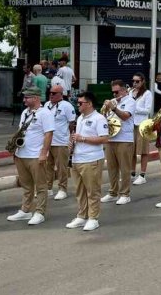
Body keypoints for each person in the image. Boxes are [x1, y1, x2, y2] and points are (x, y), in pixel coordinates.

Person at [7, 88, 55, 225]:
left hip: (35, 155)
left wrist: (44, 153)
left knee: (41, 186)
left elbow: (48, 134)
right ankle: (25, 210)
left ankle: (40, 212)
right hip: (21, 154)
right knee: (26, 185)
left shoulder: (45, 113)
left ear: (35, 98)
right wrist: (15, 149)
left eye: (27, 97)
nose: (24, 100)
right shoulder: (25, 112)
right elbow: (21, 131)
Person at [66, 91, 108, 231]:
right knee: (80, 190)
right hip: (77, 158)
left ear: (89, 104)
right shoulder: (80, 118)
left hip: (91, 159)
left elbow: (104, 138)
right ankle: (82, 215)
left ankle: (93, 218)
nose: (77, 105)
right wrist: (72, 143)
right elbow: (77, 137)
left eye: (80, 103)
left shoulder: (99, 119)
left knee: (92, 190)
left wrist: (82, 139)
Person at [100, 80, 135, 205]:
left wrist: (113, 108)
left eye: (117, 92)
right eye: (113, 92)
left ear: (124, 90)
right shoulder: (112, 101)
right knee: (111, 168)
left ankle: (125, 194)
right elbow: (104, 118)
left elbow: (125, 116)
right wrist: (105, 111)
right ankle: (113, 193)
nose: (114, 94)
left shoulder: (130, 101)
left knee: (125, 168)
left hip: (124, 138)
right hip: (111, 138)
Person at [44, 86, 76, 201]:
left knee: (61, 167)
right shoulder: (46, 105)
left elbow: (72, 123)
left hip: (61, 142)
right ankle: (48, 188)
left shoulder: (66, 106)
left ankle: (62, 189)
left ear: (61, 94)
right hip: (48, 141)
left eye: (54, 93)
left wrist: (71, 139)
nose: (51, 95)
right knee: (47, 166)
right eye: (50, 93)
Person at [130, 73, 154, 185]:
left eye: (137, 81)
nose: (134, 83)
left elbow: (147, 110)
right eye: (133, 81)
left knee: (144, 150)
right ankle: (132, 173)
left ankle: (142, 175)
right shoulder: (130, 92)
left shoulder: (147, 93)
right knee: (132, 150)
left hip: (142, 125)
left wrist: (134, 107)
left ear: (143, 81)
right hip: (131, 124)